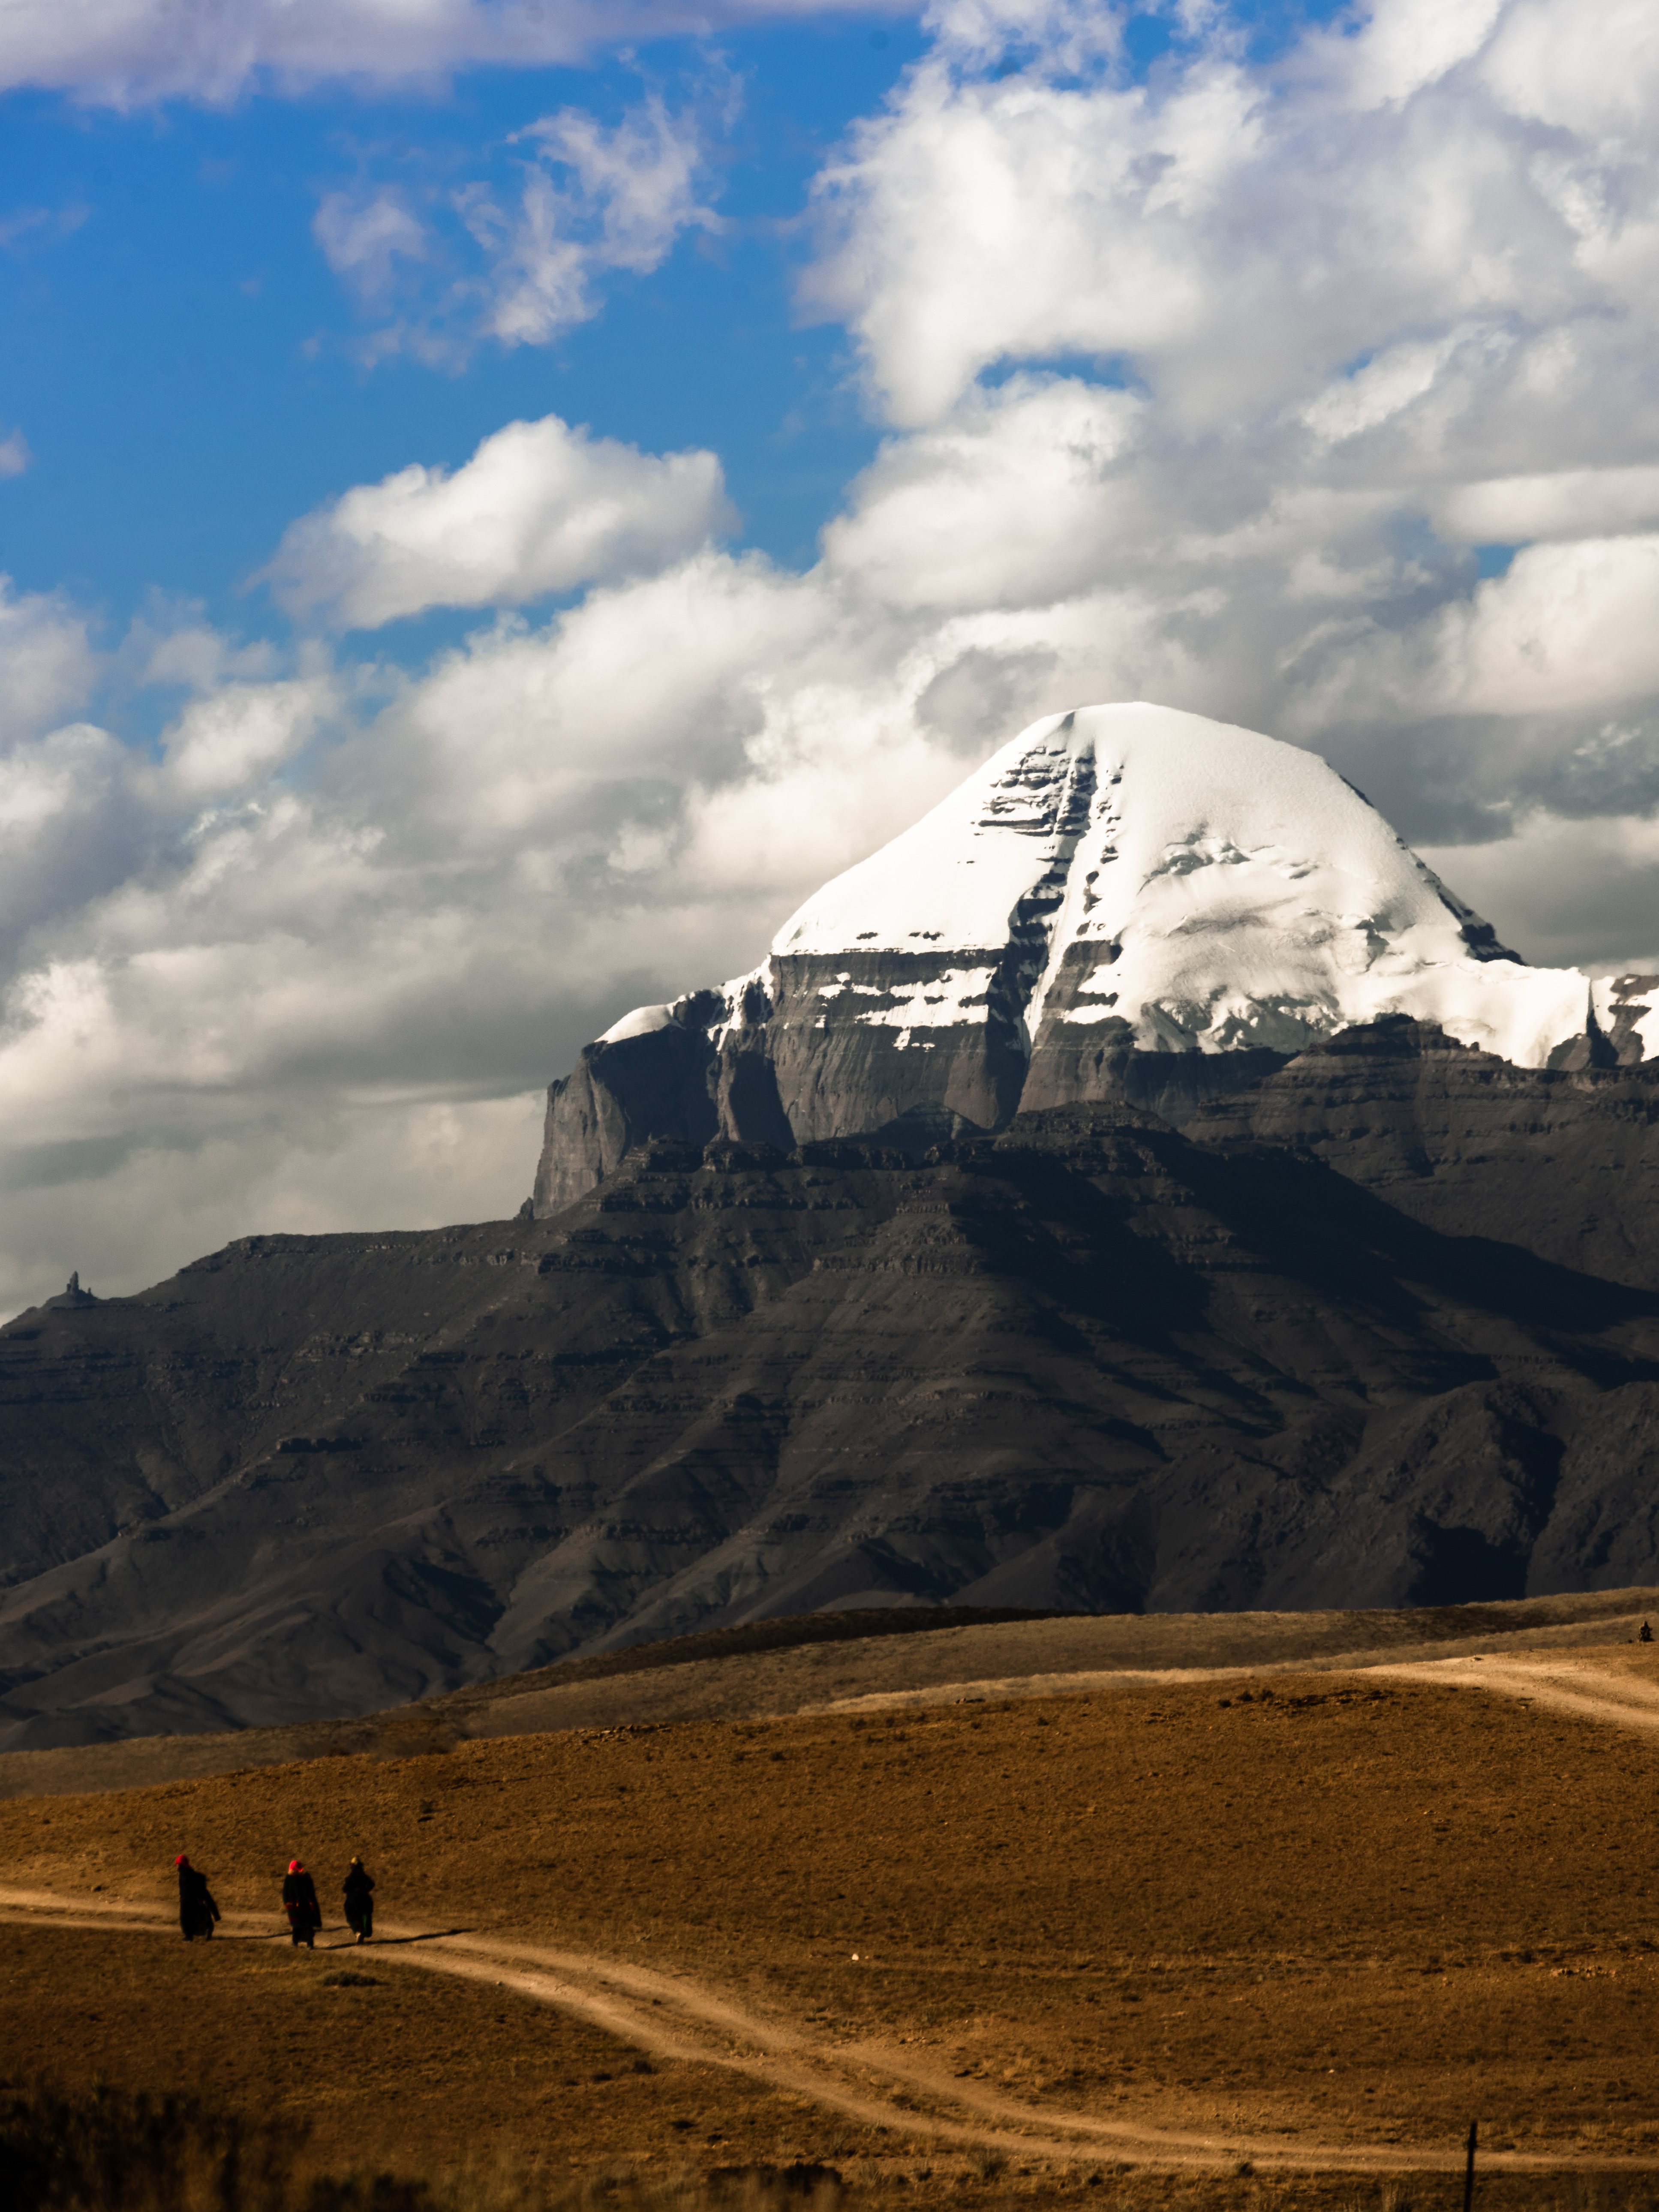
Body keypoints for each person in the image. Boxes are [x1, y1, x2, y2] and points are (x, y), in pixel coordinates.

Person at [175, 1853, 219, 1942]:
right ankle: (206, 1930)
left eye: (178, 1865)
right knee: (199, 1917)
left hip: (186, 1900)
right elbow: (208, 1898)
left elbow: (187, 1889)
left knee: (185, 1919)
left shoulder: (183, 1875)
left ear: (181, 1865)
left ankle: (189, 1937)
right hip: (196, 1899)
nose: (177, 1868)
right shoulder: (193, 1874)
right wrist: (216, 1916)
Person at [283, 1859, 322, 1948]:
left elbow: (286, 1893)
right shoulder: (306, 1878)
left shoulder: (290, 1879)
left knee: (296, 1925)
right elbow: (310, 1893)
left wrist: (288, 1904)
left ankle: (295, 1942)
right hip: (306, 1906)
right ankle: (310, 1944)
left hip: (295, 1907)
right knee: (307, 1925)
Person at [342, 1857, 376, 1944]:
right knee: (366, 1915)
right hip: (366, 1898)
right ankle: (364, 1932)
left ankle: (358, 1932)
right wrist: (365, 1890)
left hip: (353, 1899)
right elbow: (372, 1884)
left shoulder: (352, 1876)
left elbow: (345, 1889)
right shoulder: (364, 1875)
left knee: (351, 1915)